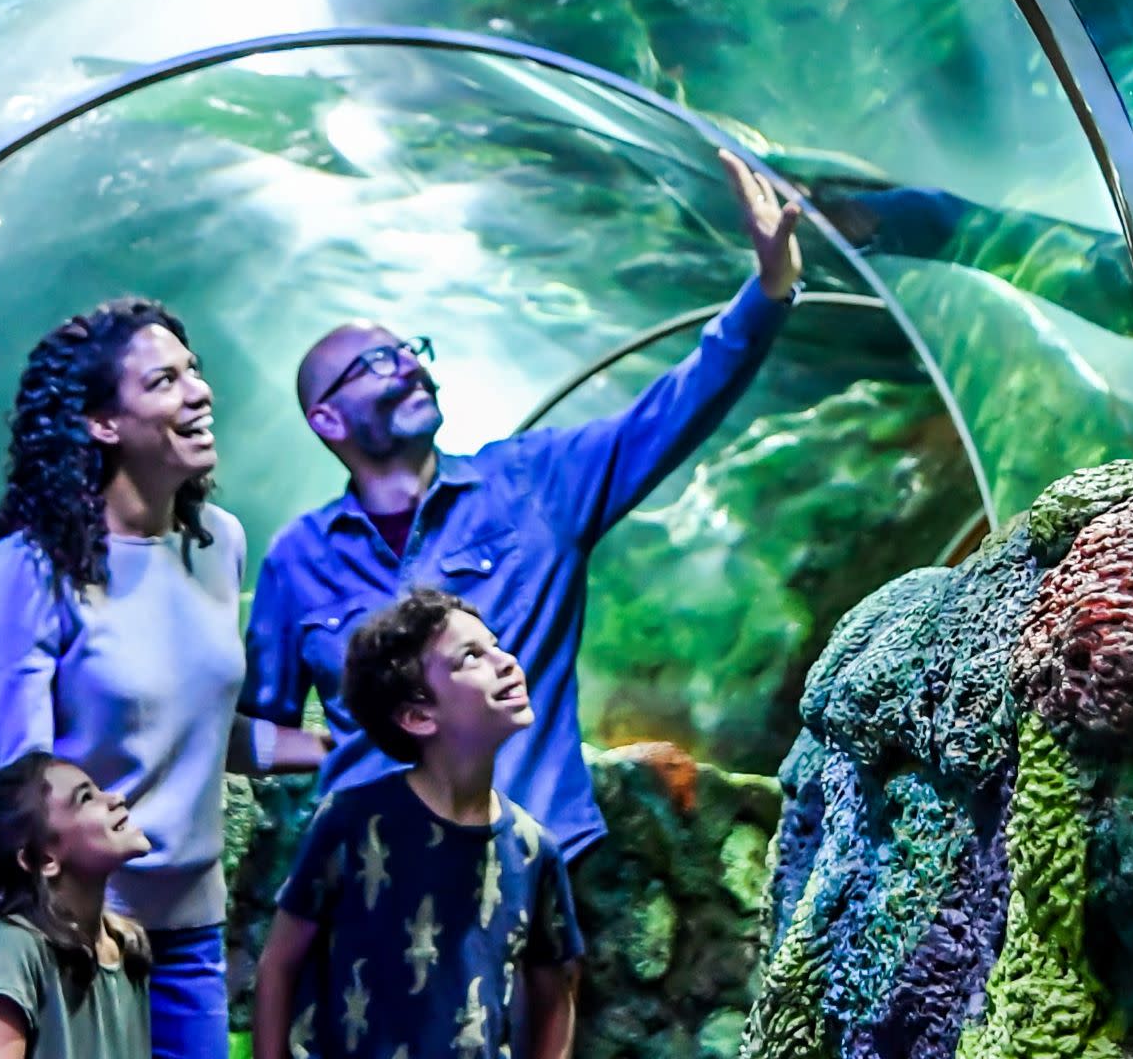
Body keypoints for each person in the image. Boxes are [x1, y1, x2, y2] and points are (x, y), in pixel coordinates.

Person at [239, 149, 803, 860]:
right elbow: (257, 725)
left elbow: (669, 412)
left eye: (412, 350)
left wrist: (769, 290)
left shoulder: (533, 484)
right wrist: (356, 744)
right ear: (327, 420)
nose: (412, 364)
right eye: (379, 362)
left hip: (533, 866)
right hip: (376, 879)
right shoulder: (298, 557)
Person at [0, 297, 324, 1059]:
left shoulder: (219, 544)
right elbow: (23, 778)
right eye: (164, 381)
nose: (198, 392)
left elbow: (197, 730)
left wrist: (339, 751)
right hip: (79, 933)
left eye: (193, 372)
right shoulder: (31, 568)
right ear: (103, 423)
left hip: (193, 933)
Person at [252, 589, 583, 1059]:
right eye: (472, 656)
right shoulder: (349, 822)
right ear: (417, 715)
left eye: (496, 644)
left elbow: (557, 994)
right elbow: (278, 964)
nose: (506, 661)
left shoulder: (535, 851)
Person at [0, 753, 154, 1059]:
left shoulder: (125, 946)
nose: (116, 798)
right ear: (43, 858)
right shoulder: (11, 947)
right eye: (85, 798)